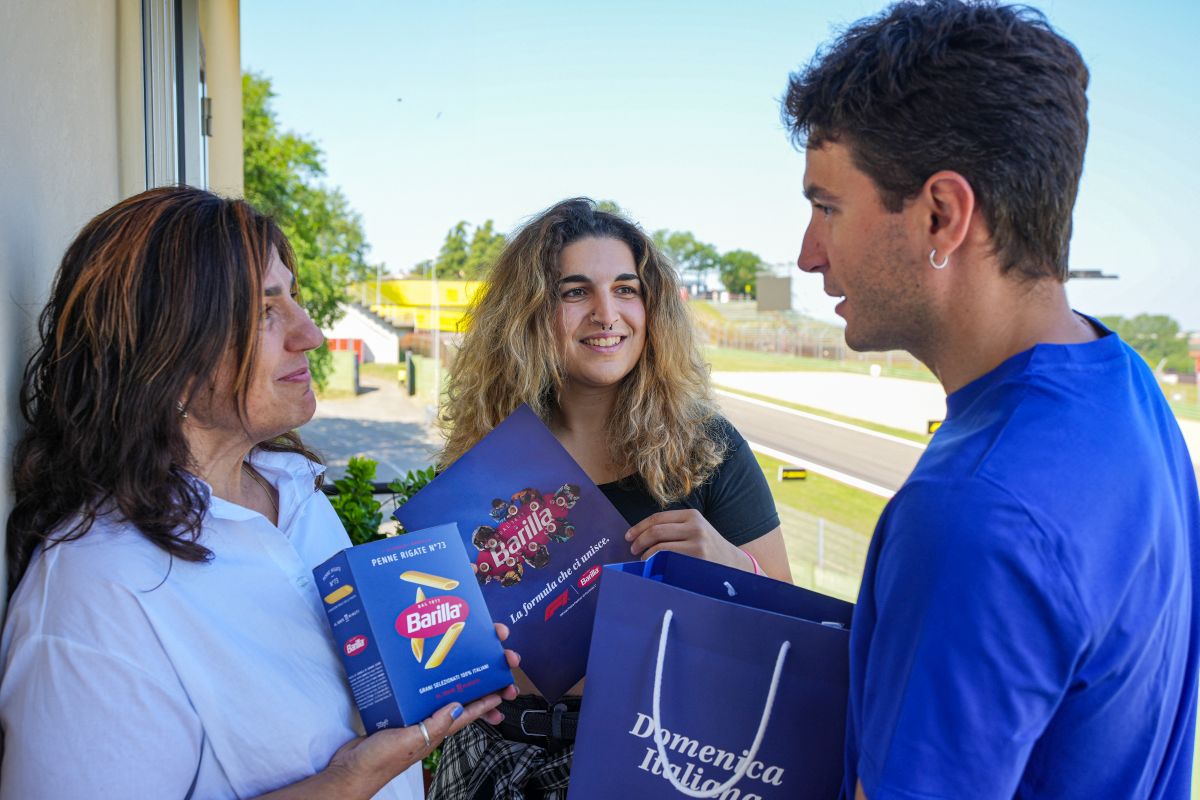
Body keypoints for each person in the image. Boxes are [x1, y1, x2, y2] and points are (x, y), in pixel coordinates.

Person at [782, 2, 1200, 798]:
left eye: (827, 207)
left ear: (942, 213)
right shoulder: (1126, 387)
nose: (807, 253)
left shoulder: (976, 514)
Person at [0, 186, 517, 799]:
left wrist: (437, 660)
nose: (312, 333)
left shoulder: (292, 492)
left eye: (292, 296)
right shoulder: (94, 596)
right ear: (163, 355)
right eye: (264, 311)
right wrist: (345, 784)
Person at [428, 198, 792, 799]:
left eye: (626, 289)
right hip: (491, 754)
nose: (607, 314)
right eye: (576, 292)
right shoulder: (487, 448)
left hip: (643, 756)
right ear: (531, 313)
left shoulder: (705, 447)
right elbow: (442, 636)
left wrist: (732, 565)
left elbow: (789, 632)